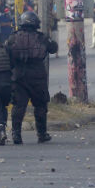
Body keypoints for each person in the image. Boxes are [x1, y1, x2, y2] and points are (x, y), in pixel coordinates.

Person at [6, 11, 58, 144]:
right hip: (37, 75)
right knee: (40, 105)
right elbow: (53, 48)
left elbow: (6, 53)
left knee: (18, 106)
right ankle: (41, 134)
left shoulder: (13, 37)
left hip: (18, 76)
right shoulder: (42, 37)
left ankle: (16, 135)